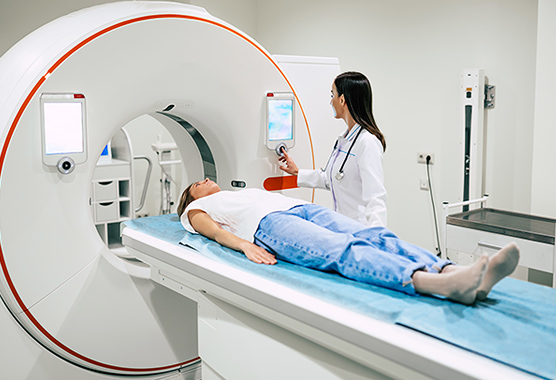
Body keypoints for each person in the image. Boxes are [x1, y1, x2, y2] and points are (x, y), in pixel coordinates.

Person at [177, 179, 520, 305]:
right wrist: (243, 245)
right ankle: (436, 283)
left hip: (300, 208)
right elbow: (213, 232)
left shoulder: (236, 192)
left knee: (372, 235)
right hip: (270, 226)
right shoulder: (195, 209)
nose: (205, 180)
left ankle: (460, 273)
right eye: (197, 182)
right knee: (343, 251)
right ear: (189, 197)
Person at [279, 71, 387, 227]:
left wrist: (377, 236)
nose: (331, 102)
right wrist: (297, 172)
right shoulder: (344, 139)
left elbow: (376, 196)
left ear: (342, 100)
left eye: (332, 95)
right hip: (342, 226)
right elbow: (332, 178)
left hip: (361, 230)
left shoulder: (367, 142)